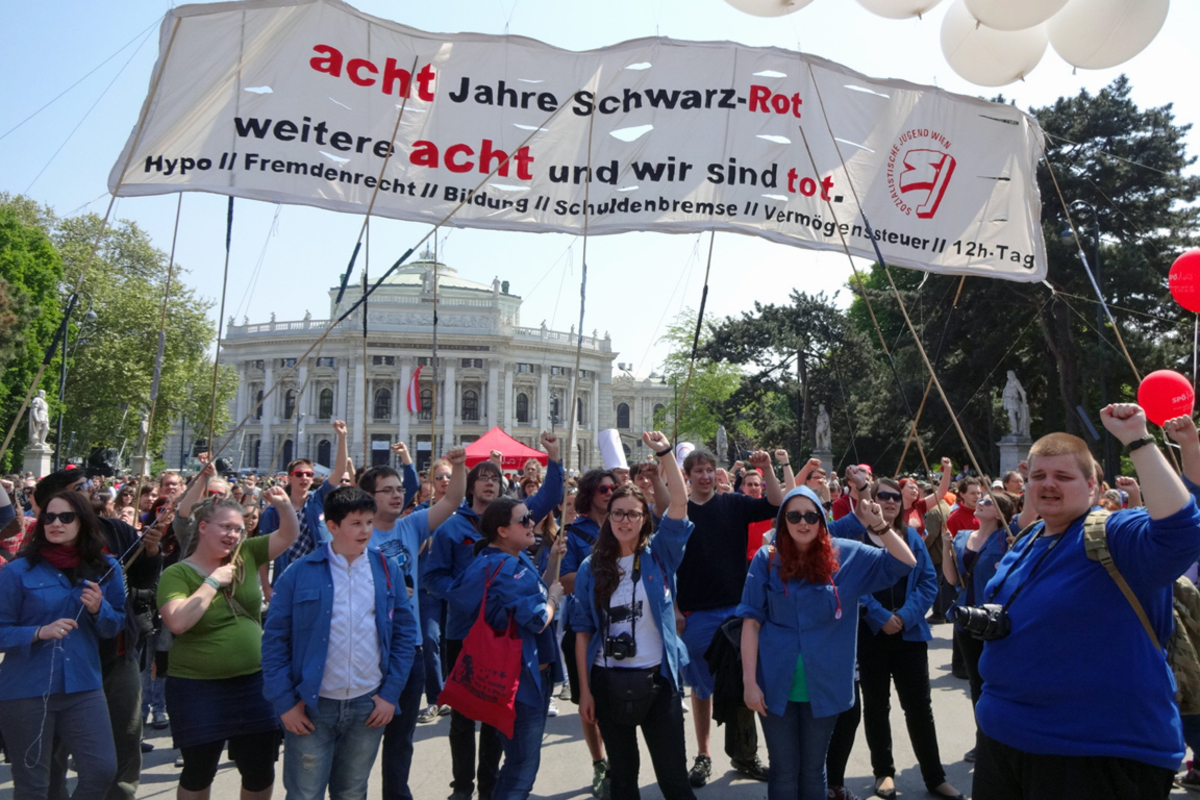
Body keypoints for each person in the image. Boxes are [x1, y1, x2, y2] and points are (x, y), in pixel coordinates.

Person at [974, 404, 1200, 800]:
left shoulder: (1115, 534)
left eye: (1063, 476)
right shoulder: (1028, 538)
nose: (1048, 484)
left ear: (1093, 486)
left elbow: (1181, 531)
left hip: (1095, 754)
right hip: (1003, 742)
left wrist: (1137, 439)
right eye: (1038, 476)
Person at [738, 485, 915, 800]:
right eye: (794, 516)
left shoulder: (846, 554)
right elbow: (750, 622)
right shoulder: (767, 559)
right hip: (774, 683)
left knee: (813, 768)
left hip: (826, 683)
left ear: (822, 519)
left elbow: (904, 562)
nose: (803, 523)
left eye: (811, 516)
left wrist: (879, 525)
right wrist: (749, 683)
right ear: (783, 520)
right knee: (783, 769)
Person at [424, 432, 564, 800]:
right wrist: (470, 593)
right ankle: (462, 787)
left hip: (508, 640)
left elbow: (550, 496)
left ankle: (488, 787)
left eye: (495, 478)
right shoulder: (454, 527)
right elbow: (432, 578)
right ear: (470, 487)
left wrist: (555, 459)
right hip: (464, 632)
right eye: (482, 477)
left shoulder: (515, 523)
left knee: (497, 719)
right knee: (464, 714)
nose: (490, 482)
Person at [261, 486, 419, 800]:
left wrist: (390, 694)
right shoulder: (298, 573)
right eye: (356, 523)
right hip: (311, 706)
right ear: (332, 526)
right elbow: (274, 642)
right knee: (305, 793)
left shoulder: (386, 569)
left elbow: (404, 634)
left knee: (352, 791)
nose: (365, 531)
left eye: (369, 522)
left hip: (367, 705)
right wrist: (285, 703)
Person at [572, 432, 695, 800]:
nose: (624, 520)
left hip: (659, 680)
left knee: (674, 780)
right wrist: (584, 692)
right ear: (608, 516)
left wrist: (665, 453)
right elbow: (582, 631)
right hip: (607, 681)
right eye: (618, 513)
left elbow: (680, 504)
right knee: (623, 781)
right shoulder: (590, 567)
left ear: (644, 519)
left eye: (633, 514)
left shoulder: (660, 555)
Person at [157, 487, 300, 800]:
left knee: (259, 769)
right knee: (198, 771)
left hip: (254, 682)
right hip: (197, 687)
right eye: (226, 527)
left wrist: (284, 505)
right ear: (203, 527)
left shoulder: (246, 552)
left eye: (238, 528)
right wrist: (212, 582)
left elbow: (288, 535)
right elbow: (178, 622)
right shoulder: (177, 573)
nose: (233, 535)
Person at [0, 491, 126, 800]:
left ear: (83, 522)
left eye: (66, 517)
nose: (56, 523)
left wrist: (99, 609)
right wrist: (38, 632)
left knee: (102, 769)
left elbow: (115, 626)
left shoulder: (106, 567)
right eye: (49, 517)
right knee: (33, 785)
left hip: (84, 687)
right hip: (26, 690)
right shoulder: (17, 570)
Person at [359, 447, 467, 800]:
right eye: (387, 490)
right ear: (368, 496)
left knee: (400, 739)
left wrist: (460, 466)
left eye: (399, 489)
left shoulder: (411, 525)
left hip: (410, 648)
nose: (397, 495)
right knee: (359, 742)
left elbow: (452, 500)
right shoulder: (355, 535)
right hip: (367, 649)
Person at [674, 448, 783, 786]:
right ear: (688, 475)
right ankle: (703, 755)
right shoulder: (679, 512)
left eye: (710, 469)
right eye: (698, 470)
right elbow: (665, 564)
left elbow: (776, 503)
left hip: (737, 611)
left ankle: (745, 755)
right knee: (701, 689)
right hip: (696, 613)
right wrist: (675, 608)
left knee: (744, 682)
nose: (705, 476)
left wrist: (768, 469)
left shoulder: (734, 504)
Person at [447, 496, 567, 800]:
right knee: (521, 770)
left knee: (514, 764)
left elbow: (531, 594)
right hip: (523, 677)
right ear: (502, 530)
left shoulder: (496, 559)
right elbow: (537, 618)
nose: (531, 523)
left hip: (508, 674)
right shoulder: (508, 566)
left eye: (530, 517)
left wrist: (553, 560)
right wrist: (554, 599)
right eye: (523, 520)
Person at [852, 478, 962, 800]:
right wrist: (879, 616)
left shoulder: (912, 536)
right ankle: (883, 772)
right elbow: (849, 583)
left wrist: (904, 617)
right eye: (883, 496)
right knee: (876, 706)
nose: (890, 502)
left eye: (895, 498)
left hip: (909, 633)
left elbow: (928, 582)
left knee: (919, 708)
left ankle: (935, 777)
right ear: (872, 500)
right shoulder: (857, 537)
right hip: (870, 635)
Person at [942, 489, 1016, 762]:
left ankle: (1004, 738)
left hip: (996, 622)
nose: (980, 502)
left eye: (988, 501)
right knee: (976, 683)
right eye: (981, 499)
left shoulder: (1007, 539)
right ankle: (982, 739)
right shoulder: (962, 536)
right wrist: (947, 548)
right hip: (966, 618)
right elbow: (952, 579)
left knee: (998, 681)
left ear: (1000, 513)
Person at [558, 468, 619, 797]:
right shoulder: (571, 533)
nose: (609, 493)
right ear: (588, 494)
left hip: (623, 625)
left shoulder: (626, 525)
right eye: (602, 489)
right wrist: (599, 572)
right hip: (585, 626)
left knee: (616, 703)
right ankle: (599, 762)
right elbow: (562, 581)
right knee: (589, 702)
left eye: (613, 487)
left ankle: (618, 763)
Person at [260, 420, 349, 582]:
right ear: (289, 478)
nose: (305, 478)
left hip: (317, 574)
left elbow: (339, 471)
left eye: (309, 474)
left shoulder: (318, 500)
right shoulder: (273, 512)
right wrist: (265, 585)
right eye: (299, 474)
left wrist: (342, 437)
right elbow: (263, 552)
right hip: (285, 576)